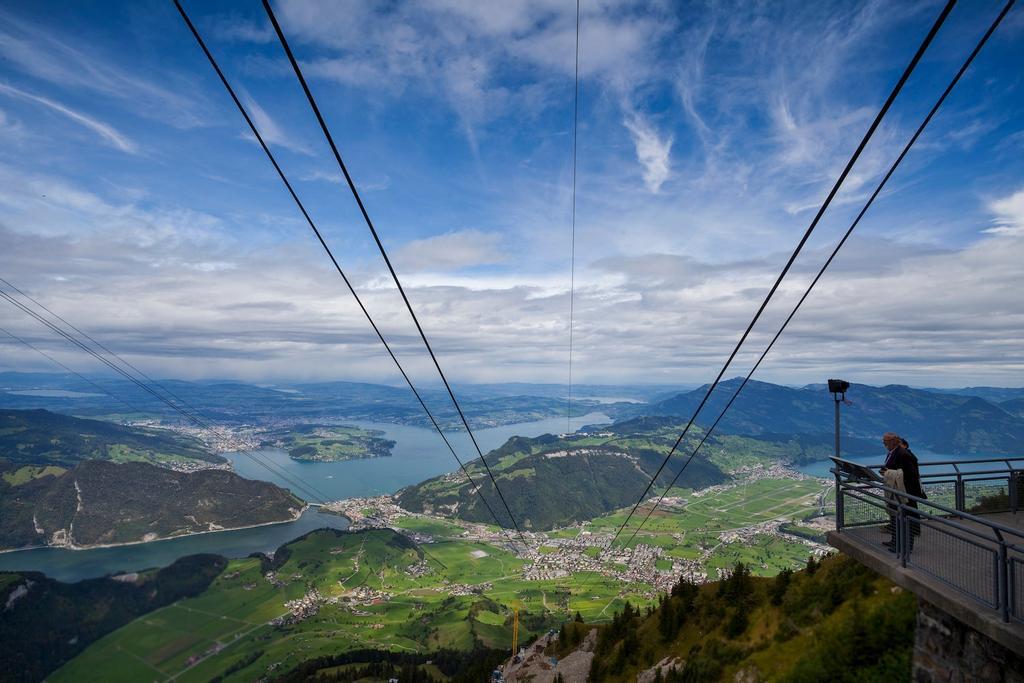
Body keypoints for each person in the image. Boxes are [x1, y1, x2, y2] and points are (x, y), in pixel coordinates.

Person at [880, 432, 925, 552]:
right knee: (895, 517)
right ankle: (895, 541)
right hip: (896, 491)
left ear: (893, 442)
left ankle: (905, 546)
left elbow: (911, 474)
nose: (884, 444)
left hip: (905, 493)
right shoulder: (894, 452)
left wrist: (888, 473)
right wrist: (887, 472)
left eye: (885, 442)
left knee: (905, 519)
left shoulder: (903, 454)